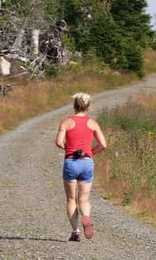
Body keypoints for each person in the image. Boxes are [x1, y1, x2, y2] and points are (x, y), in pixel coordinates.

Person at [55, 92, 107, 242]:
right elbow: (103, 144)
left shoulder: (66, 122)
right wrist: (91, 153)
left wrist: (68, 149)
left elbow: (58, 142)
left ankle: (75, 231)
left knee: (71, 199)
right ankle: (86, 216)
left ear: (74, 106)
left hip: (71, 161)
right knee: (83, 199)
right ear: (88, 107)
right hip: (87, 162)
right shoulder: (93, 123)